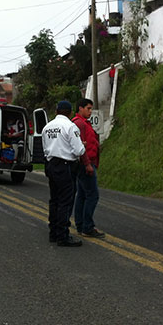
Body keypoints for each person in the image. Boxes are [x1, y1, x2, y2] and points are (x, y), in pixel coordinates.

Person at [42, 100, 91, 247]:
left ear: (56, 111)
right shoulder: (70, 126)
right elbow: (78, 150)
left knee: (54, 200)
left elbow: (45, 149)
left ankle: (53, 232)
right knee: (65, 201)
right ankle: (63, 235)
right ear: (70, 113)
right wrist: (82, 145)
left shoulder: (47, 127)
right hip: (65, 166)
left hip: (51, 164)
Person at [72, 98, 103, 238]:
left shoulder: (84, 123)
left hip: (87, 163)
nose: (90, 111)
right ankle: (87, 226)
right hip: (86, 164)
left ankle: (81, 224)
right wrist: (88, 164)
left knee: (83, 195)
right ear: (80, 108)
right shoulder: (79, 124)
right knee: (92, 195)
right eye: (88, 108)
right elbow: (81, 147)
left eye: (91, 109)